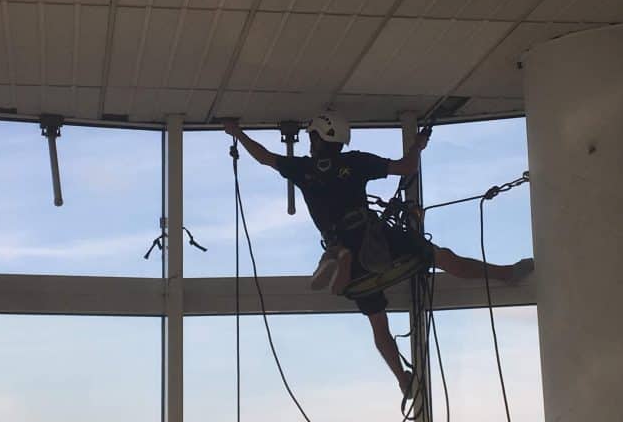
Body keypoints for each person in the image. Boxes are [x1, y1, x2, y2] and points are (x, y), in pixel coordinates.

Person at [223, 112, 532, 402]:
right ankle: (505, 274)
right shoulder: (356, 162)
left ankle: (402, 379)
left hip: (345, 245)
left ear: (318, 137)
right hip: (376, 238)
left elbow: (264, 156)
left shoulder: (303, 169)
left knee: (378, 323)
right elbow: (406, 168)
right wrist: (417, 145)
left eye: (312, 137)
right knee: (442, 257)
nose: (310, 142)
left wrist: (237, 132)